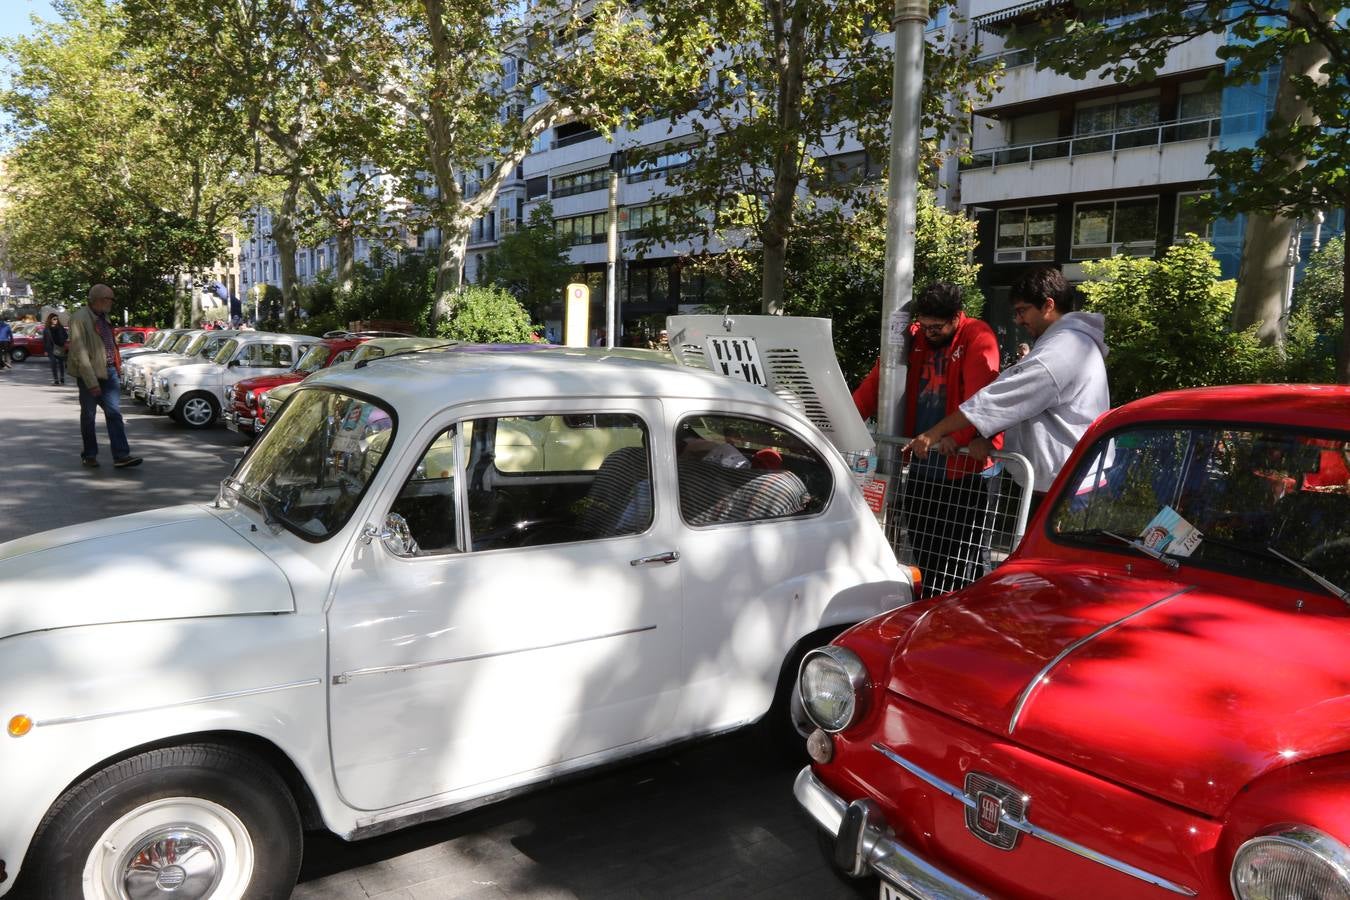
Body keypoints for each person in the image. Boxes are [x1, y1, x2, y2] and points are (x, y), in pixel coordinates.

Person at [907, 266, 1109, 512]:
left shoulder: (1060, 351)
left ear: (1048, 305)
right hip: (1065, 477)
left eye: (1022, 311)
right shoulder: (1068, 343)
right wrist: (985, 439)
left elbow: (998, 400)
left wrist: (933, 434)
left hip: (1064, 482)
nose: (1017, 320)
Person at [853, 281, 1003, 596]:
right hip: (923, 464)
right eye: (925, 325)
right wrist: (846, 421)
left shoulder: (978, 336)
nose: (929, 333)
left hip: (965, 469)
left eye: (937, 327)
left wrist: (957, 435)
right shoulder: (913, 337)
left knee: (964, 558)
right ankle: (933, 611)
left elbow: (981, 398)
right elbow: (876, 382)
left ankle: (962, 616)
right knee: (925, 549)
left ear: (956, 318)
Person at [69, 284, 142, 468]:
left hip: (109, 372)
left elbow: (109, 346)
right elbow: (80, 353)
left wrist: (116, 369)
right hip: (90, 375)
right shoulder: (79, 318)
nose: (112, 302)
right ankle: (89, 454)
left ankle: (121, 455)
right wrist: (91, 382)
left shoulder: (103, 316)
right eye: (110, 299)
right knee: (89, 415)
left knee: (114, 413)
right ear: (100, 299)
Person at [42, 312, 69, 385]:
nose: (56, 320)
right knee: (53, 363)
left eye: (57, 319)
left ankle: (62, 378)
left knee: (61, 363)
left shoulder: (60, 327)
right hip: (50, 348)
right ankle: (56, 380)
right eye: (54, 319)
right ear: (50, 319)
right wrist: (45, 350)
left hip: (60, 347)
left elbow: (66, 336)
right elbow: (44, 340)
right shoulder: (46, 329)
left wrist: (62, 341)